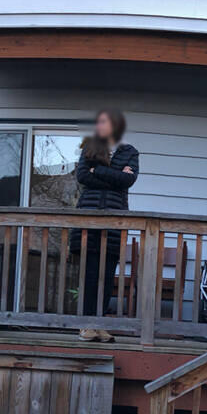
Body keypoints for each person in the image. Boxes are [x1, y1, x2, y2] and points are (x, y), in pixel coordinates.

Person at [73, 108, 139, 342]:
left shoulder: (129, 152)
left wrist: (99, 170)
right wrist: (115, 175)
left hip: (114, 222)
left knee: (107, 276)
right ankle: (86, 327)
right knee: (90, 275)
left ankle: (99, 326)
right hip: (89, 219)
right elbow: (82, 176)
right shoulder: (90, 148)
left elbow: (129, 180)